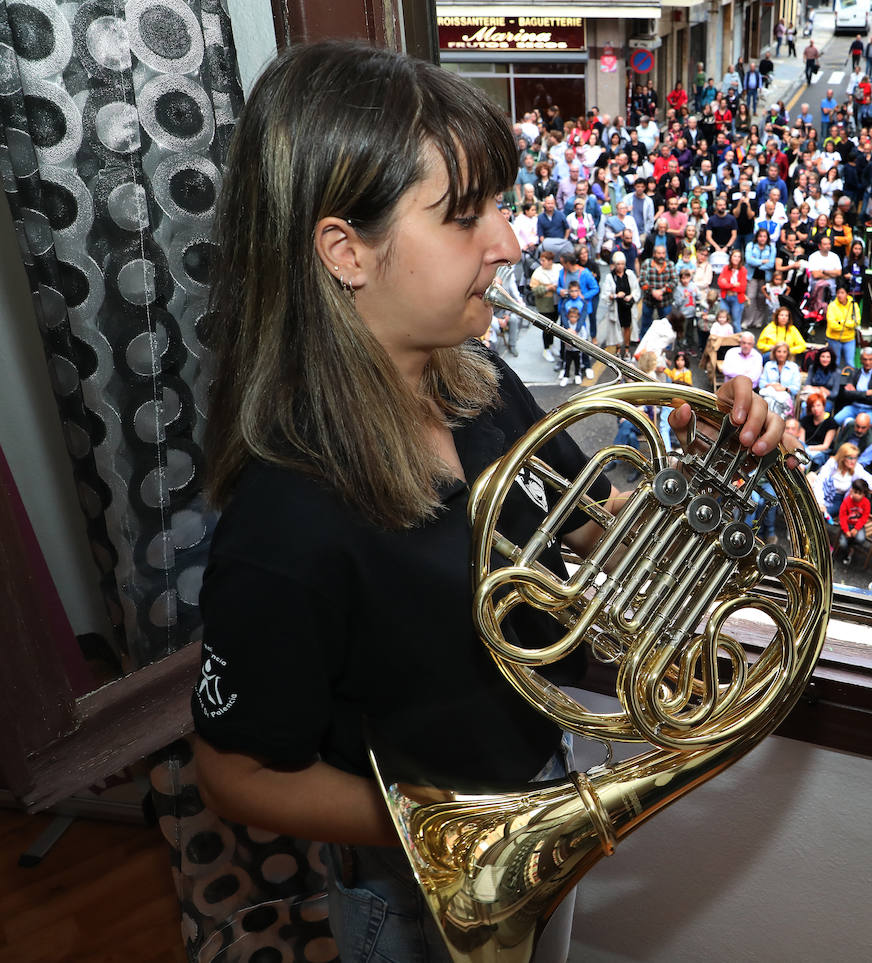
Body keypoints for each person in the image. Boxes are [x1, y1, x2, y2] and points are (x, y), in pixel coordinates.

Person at [191, 42, 789, 963]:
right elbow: (231, 772)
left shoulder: (476, 383)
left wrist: (712, 472)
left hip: (538, 787)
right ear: (346, 251)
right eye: (466, 216)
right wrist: (462, 829)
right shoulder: (285, 524)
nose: (510, 243)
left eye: (499, 208)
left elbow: (585, 531)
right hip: (418, 881)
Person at [833, 346, 872, 425]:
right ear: (861, 360)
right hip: (853, 407)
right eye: (865, 359)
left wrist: (855, 394)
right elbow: (846, 394)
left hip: (871, 410)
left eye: (870, 359)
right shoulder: (854, 373)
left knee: (861, 425)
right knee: (836, 420)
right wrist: (866, 393)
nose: (867, 362)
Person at [835, 478, 872, 565]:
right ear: (851, 490)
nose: (856, 495)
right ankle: (848, 549)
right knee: (843, 544)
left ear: (864, 494)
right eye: (855, 492)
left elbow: (864, 517)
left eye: (859, 493)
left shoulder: (866, 503)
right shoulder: (847, 501)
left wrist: (856, 529)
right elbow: (842, 517)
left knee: (861, 539)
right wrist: (846, 530)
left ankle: (851, 547)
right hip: (847, 525)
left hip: (858, 525)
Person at [758, 342, 802, 416]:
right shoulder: (768, 365)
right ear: (774, 353)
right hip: (769, 395)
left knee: (780, 403)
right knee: (768, 401)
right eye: (779, 351)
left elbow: (796, 388)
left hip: (786, 397)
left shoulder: (793, 367)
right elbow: (761, 383)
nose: (781, 354)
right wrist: (771, 385)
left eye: (784, 352)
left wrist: (784, 389)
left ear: (787, 354)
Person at [825, 282, 861, 367]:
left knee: (850, 363)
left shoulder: (853, 305)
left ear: (847, 294)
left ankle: (851, 380)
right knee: (835, 363)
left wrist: (841, 322)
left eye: (842, 293)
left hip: (849, 339)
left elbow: (857, 322)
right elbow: (832, 325)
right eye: (838, 293)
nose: (839, 295)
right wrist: (848, 325)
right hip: (834, 339)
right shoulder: (832, 306)